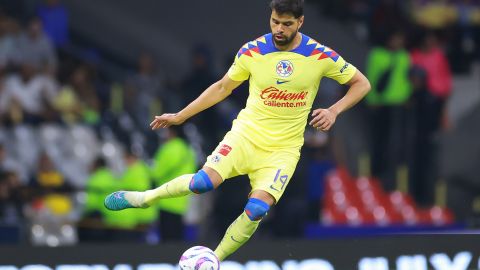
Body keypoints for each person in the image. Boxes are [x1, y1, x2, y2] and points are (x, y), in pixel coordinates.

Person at [105, 0, 370, 261]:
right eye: (275, 21)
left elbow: (361, 83)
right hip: (246, 137)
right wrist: (180, 116)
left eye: (287, 24)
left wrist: (334, 110)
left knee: (256, 209)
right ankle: (143, 198)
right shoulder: (252, 51)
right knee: (202, 183)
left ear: (300, 22)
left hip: (283, 150)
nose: (279, 29)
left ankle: (214, 259)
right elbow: (222, 88)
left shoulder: (319, 55)